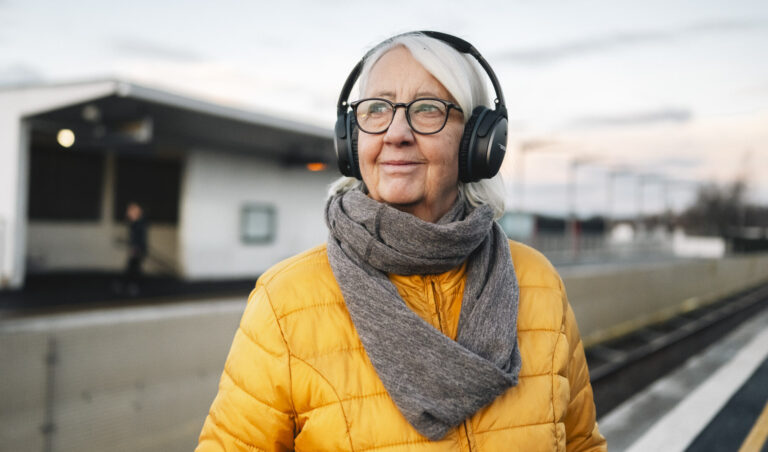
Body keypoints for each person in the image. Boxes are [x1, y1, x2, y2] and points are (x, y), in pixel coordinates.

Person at [196, 31, 606, 451]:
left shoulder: (538, 282)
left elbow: (581, 444)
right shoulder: (284, 302)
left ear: (478, 142)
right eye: (377, 108)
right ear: (352, 139)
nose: (396, 133)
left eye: (428, 109)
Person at [123, 201, 147, 296]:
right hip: (136, 248)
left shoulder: (139, 223)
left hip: (138, 249)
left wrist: (136, 248)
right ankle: (131, 286)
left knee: (134, 268)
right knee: (133, 267)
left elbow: (139, 238)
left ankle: (134, 286)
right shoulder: (135, 223)